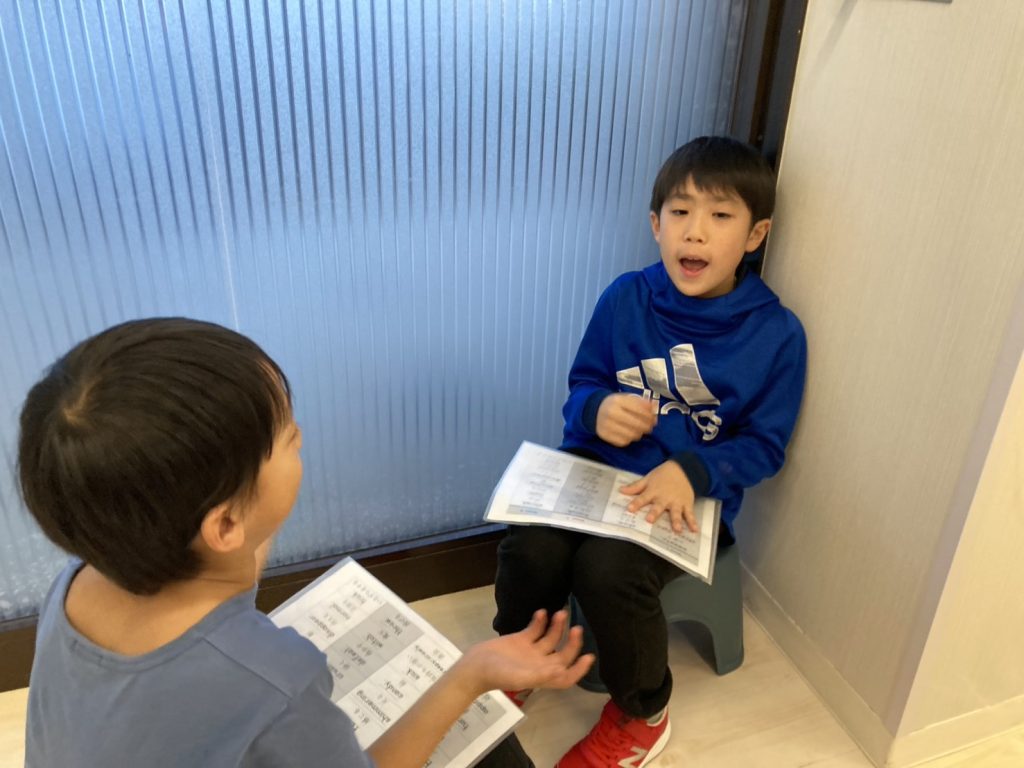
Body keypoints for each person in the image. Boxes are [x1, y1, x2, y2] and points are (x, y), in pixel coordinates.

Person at [18, 317, 593, 768]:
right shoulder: (273, 682)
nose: (301, 439)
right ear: (225, 528)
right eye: (288, 437)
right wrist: (473, 673)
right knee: (495, 750)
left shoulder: (77, 584)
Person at [492, 136, 807, 767]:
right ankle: (520, 656)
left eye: (721, 215)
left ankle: (643, 714)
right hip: (594, 474)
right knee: (530, 547)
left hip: (688, 501)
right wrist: (597, 410)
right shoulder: (625, 298)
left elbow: (765, 447)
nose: (696, 232)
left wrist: (690, 471)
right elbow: (583, 384)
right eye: (680, 212)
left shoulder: (776, 335)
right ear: (655, 223)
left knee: (607, 572)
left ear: (755, 235)